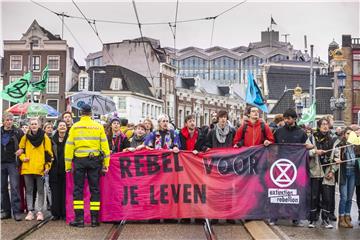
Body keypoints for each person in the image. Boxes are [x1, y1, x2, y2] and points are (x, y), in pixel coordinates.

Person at [65, 104, 110, 227]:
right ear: (91, 113)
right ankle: (95, 220)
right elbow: (105, 147)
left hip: (79, 161)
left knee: (78, 190)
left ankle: (79, 220)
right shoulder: (98, 126)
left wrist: (68, 165)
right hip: (94, 161)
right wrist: (106, 164)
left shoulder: (75, 127)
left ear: (81, 113)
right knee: (95, 189)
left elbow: (69, 147)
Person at [271, 108, 310, 227]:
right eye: (285, 118)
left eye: (288, 118)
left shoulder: (302, 133)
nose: (286, 120)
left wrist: (309, 146)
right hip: (281, 166)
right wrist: (268, 143)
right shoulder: (278, 132)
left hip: (296, 167)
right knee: (278, 191)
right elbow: (272, 146)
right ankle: (274, 216)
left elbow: (306, 147)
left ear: (294, 119)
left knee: (295, 193)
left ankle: (295, 217)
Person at [144, 114, 180, 223]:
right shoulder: (153, 134)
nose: (165, 123)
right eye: (163, 121)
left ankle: (169, 215)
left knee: (168, 191)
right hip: (156, 167)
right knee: (155, 190)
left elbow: (177, 145)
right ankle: (155, 215)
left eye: (167, 121)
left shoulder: (173, 133)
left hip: (169, 167)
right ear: (159, 123)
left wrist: (175, 147)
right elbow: (147, 146)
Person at [18, 118, 53, 221]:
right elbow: (20, 150)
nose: (33, 126)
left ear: (39, 125)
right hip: (27, 168)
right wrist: (23, 157)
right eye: (32, 124)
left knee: (41, 191)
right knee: (29, 190)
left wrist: (47, 166)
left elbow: (48, 153)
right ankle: (30, 211)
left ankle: (40, 211)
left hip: (40, 168)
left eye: (35, 124)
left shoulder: (45, 137)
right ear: (29, 125)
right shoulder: (25, 137)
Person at [307, 118, 335, 229]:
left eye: (327, 124)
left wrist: (333, 171)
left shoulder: (333, 139)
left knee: (327, 198)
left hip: (327, 172)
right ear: (319, 126)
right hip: (315, 172)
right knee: (314, 197)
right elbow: (306, 152)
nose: (325, 126)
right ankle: (313, 219)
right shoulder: (312, 138)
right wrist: (315, 152)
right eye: (323, 124)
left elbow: (336, 156)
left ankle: (325, 219)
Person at [179, 115, 206, 224]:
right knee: (186, 190)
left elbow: (205, 145)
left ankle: (199, 215)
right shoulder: (180, 134)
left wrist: (200, 150)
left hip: (197, 166)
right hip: (185, 165)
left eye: (193, 121)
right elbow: (178, 146)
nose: (192, 123)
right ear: (186, 123)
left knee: (198, 190)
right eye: (190, 121)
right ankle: (186, 215)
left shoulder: (201, 134)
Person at [1, 112, 24, 221]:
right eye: (7, 120)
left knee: (15, 187)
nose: (9, 121)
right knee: (2, 188)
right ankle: (6, 212)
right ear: (3, 121)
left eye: (11, 120)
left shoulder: (18, 132)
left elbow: (25, 144)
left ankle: (16, 212)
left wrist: (22, 149)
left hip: (13, 163)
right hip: (1, 163)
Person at [336, 128, 360, 228]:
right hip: (344, 173)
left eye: (351, 133)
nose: (350, 135)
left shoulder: (356, 146)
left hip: (353, 173)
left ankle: (347, 216)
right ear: (344, 134)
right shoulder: (341, 145)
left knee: (350, 198)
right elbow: (335, 156)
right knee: (344, 197)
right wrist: (337, 159)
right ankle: (341, 218)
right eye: (348, 133)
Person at [49, 120, 68, 220]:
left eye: (64, 126)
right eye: (60, 125)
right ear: (57, 127)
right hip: (54, 170)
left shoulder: (70, 139)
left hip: (66, 170)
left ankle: (64, 213)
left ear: (66, 127)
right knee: (55, 192)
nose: (62, 127)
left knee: (64, 192)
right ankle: (56, 213)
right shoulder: (51, 139)